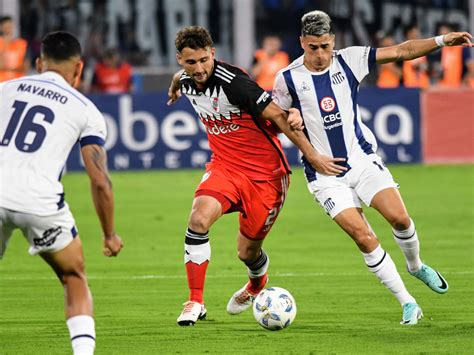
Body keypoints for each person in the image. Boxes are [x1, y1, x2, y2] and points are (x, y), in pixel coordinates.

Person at [273, 10, 472, 325]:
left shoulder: (350, 59)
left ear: (333, 41)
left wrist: (442, 40)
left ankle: (416, 266)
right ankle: (408, 303)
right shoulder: (286, 78)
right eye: (313, 48)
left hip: (361, 160)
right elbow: (277, 120)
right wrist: (294, 124)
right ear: (302, 43)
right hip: (324, 175)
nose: (320, 54)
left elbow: (403, 51)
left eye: (325, 46)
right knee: (364, 237)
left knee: (400, 219)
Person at [167, 26, 345, 326]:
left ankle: (256, 285)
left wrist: (312, 156)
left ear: (213, 53)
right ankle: (195, 300)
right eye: (190, 63)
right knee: (198, 220)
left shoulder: (235, 84)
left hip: (266, 176)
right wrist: (175, 84)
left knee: (246, 251)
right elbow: (180, 79)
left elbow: (277, 116)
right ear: (180, 61)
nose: (198, 69)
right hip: (224, 167)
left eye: (203, 61)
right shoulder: (185, 79)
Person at [0, 31, 123, 354]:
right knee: (73, 275)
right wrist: (109, 234)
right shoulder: (86, 110)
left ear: (39, 63)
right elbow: (99, 181)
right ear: (79, 69)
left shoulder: (5, 89)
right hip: (40, 203)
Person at [0, 15, 30, 83]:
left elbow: (26, 65)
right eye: (6, 26)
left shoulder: (22, 44)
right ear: (1, 27)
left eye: (10, 26)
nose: (8, 28)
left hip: (17, 83)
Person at [402, 24, 430, 88]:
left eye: (417, 32)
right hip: (410, 86)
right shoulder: (402, 49)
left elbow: (425, 67)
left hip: (423, 86)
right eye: (414, 32)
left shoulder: (422, 49)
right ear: (408, 34)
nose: (416, 35)